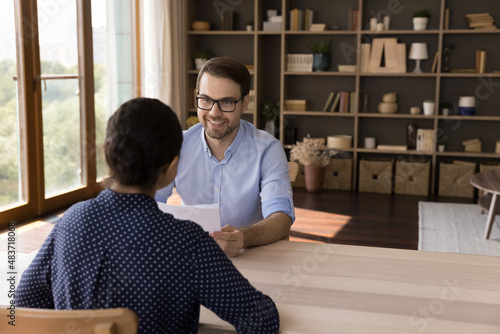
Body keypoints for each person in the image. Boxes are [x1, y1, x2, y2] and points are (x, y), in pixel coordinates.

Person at [16, 97, 280, 333]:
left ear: (110, 155)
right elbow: (261, 321)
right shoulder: (186, 242)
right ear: (171, 166)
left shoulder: (71, 221)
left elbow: (25, 301)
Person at [155, 56, 295, 257]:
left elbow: (281, 219)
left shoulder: (267, 149)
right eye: (206, 100)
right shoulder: (176, 145)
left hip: (251, 256)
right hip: (194, 257)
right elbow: (152, 202)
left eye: (227, 102)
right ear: (197, 96)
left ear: (245, 103)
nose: (214, 112)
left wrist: (244, 237)